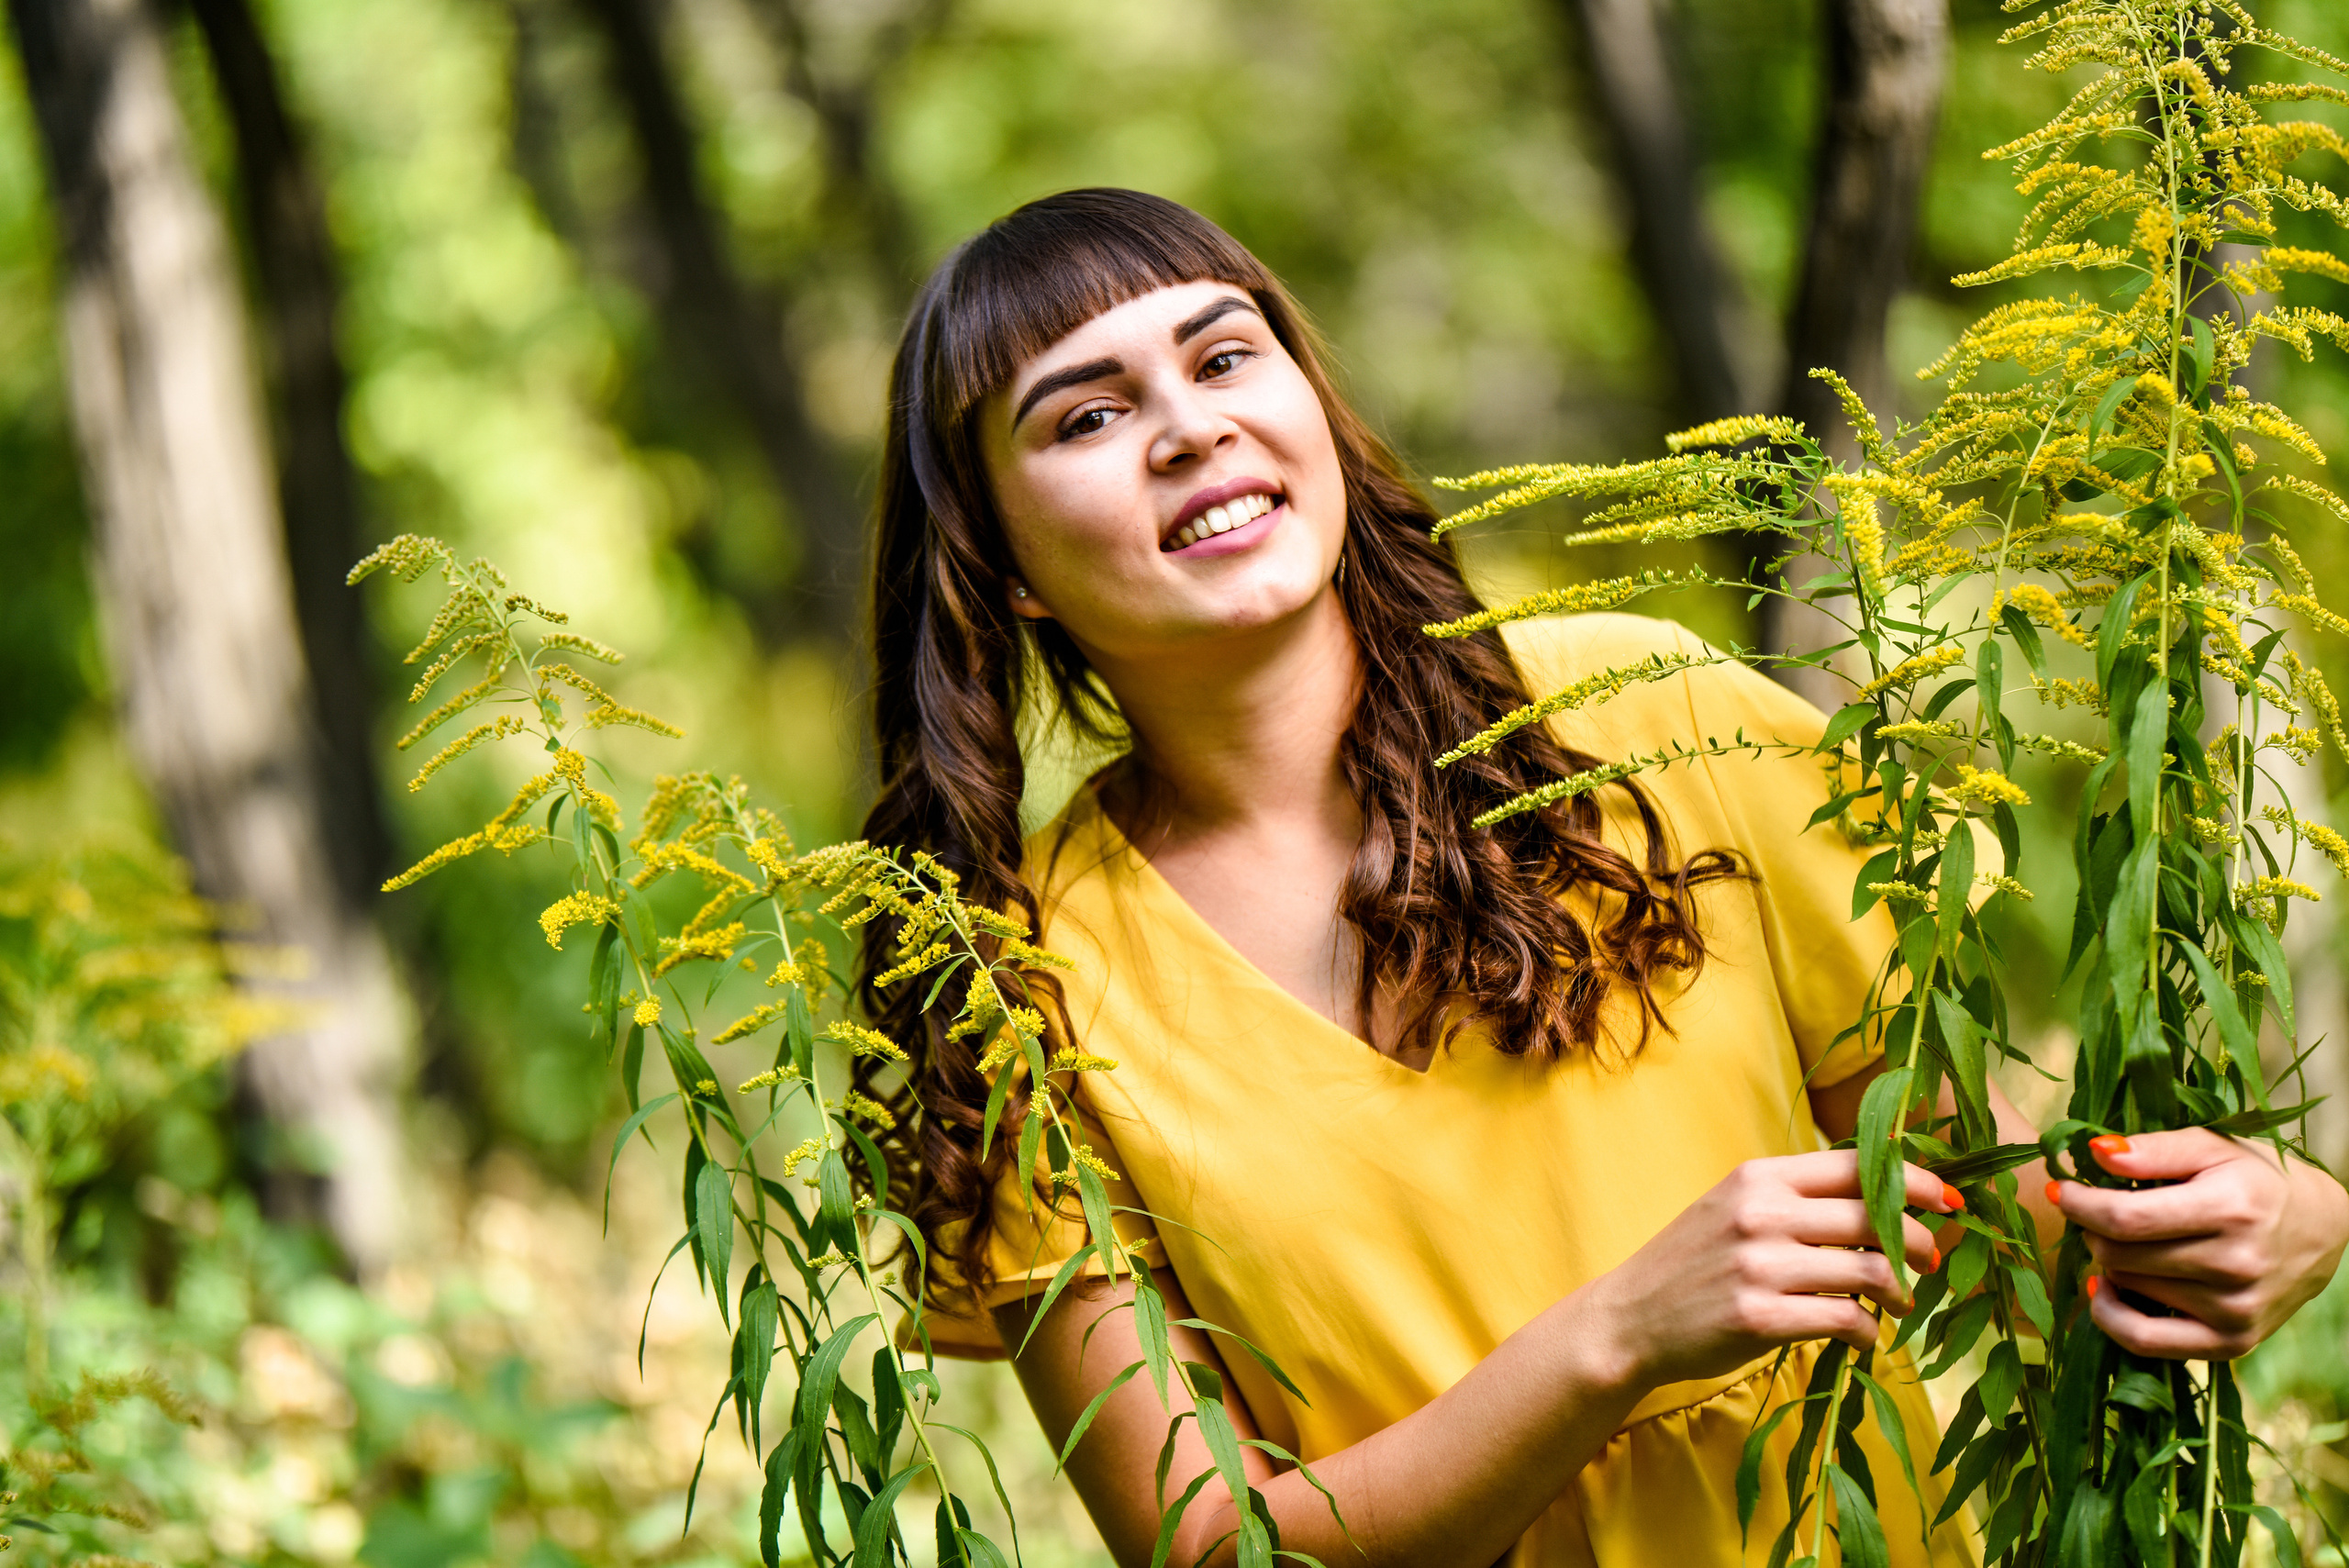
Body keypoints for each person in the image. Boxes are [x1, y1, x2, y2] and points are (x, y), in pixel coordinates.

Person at [852, 188, 2349, 1568]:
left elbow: (1978, 1183)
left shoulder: (1652, 710)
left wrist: (2279, 1215)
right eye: (1089, 416)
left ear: (1310, 405)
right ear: (1005, 562)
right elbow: (1209, 1544)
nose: (1188, 427)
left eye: (1224, 357)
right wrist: (1618, 1334)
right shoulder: (1011, 987)